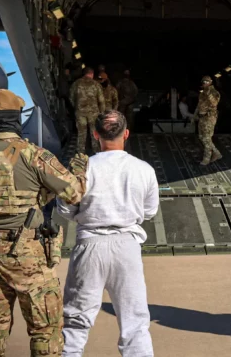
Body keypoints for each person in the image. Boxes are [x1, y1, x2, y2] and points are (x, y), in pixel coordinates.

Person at [0, 89, 86, 357]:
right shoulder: (33, 155)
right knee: (45, 328)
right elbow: (74, 192)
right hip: (27, 255)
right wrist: (80, 166)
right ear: (14, 118)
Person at [58, 110, 159, 357]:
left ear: (95, 135)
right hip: (127, 247)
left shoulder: (83, 169)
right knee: (135, 323)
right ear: (126, 134)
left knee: (75, 322)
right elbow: (149, 211)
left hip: (89, 245)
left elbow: (65, 208)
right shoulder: (143, 169)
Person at [70, 67, 105, 154]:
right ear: (92, 74)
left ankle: (80, 154)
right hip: (93, 113)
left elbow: (71, 98)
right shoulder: (96, 84)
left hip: (80, 112)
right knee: (94, 133)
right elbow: (101, 100)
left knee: (81, 133)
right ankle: (96, 152)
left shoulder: (76, 84)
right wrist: (101, 113)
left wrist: (77, 107)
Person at [194, 75, 222, 165]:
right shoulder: (202, 93)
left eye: (207, 82)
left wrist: (208, 93)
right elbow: (199, 106)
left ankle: (206, 158)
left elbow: (214, 103)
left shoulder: (214, 92)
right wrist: (194, 116)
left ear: (210, 82)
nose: (205, 83)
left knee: (207, 138)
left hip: (209, 118)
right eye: (203, 82)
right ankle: (217, 153)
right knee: (202, 137)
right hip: (202, 118)